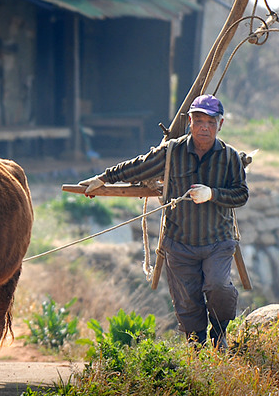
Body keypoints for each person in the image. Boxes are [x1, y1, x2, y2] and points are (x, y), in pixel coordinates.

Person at [79, 94, 248, 349]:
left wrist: (212, 193)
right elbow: (139, 167)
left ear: (220, 124)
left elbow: (241, 194)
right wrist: (104, 178)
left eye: (211, 122)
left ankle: (220, 334)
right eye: (199, 120)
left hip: (217, 241)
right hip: (179, 242)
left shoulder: (230, 157)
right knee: (187, 302)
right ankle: (197, 347)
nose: (205, 127)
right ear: (189, 121)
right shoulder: (172, 152)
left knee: (219, 287)